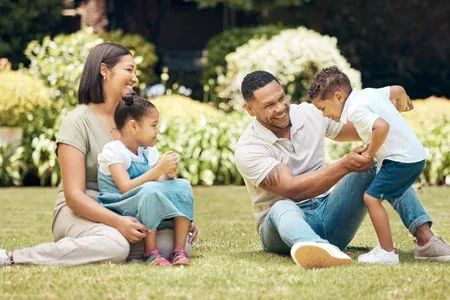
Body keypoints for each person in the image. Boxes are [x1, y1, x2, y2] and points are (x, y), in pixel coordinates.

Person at [0, 43, 198, 266]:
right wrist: (118, 222)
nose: (134, 78)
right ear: (104, 70)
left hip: (127, 205)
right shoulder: (77, 122)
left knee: (178, 244)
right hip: (82, 210)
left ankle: (114, 247)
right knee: (115, 245)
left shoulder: (132, 121)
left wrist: (174, 213)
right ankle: (13, 257)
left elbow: (149, 179)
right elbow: (74, 196)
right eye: (129, 70)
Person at [234, 70, 450, 269]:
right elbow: (293, 190)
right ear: (250, 109)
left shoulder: (310, 114)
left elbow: (361, 128)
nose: (280, 108)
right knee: (282, 206)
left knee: (382, 164)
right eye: (269, 105)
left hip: (330, 214)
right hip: (281, 228)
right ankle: (313, 247)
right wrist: (345, 165)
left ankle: (426, 240)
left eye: (281, 98)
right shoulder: (249, 147)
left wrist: (383, 113)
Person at [309, 66, 428, 264]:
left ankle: (387, 252)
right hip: (414, 156)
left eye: (323, 108)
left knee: (371, 199)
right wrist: (402, 105)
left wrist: (370, 153)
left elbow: (381, 126)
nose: (324, 115)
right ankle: (418, 241)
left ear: (339, 97)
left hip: (401, 160)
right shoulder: (369, 93)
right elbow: (398, 89)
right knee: (381, 192)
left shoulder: (355, 110)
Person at [97, 93, 194, 266]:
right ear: (133, 126)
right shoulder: (113, 151)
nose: (157, 131)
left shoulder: (147, 151)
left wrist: (168, 174)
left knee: (183, 185)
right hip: (119, 205)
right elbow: (126, 187)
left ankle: (178, 250)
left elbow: (156, 181)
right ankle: (151, 252)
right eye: (154, 126)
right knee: (150, 190)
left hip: (143, 201)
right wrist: (158, 169)